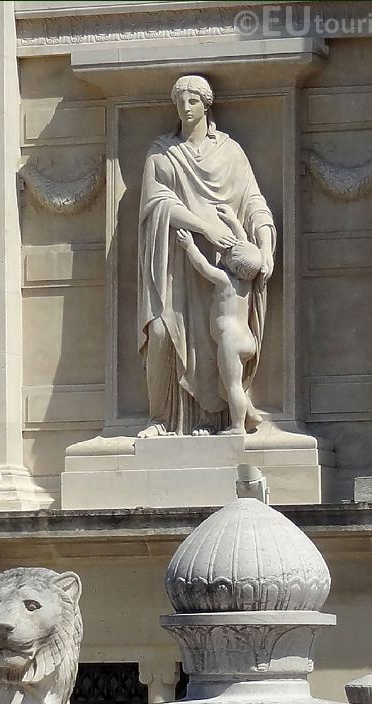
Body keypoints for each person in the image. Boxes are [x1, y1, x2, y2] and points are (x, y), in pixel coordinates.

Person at [137, 74, 276, 437]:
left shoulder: (230, 152)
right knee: (163, 332)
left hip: (223, 262)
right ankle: (161, 418)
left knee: (216, 345)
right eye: (180, 100)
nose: (185, 107)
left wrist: (263, 248)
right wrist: (203, 226)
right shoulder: (161, 150)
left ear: (206, 104)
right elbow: (156, 202)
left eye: (193, 100)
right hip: (175, 260)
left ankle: (214, 421)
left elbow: (254, 204)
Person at [175, 228, 260, 435]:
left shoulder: (224, 280)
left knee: (232, 386)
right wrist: (233, 222)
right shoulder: (246, 282)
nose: (224, 252)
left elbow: (204, 267)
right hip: (246, 338)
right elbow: (246, 246)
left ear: (232, 263)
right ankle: (251, 414)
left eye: (228, 252)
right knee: (229, 386)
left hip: (230, 339)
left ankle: (238, 426)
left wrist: (190, 246)